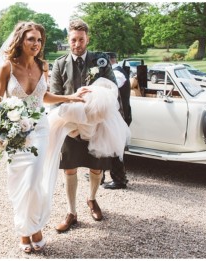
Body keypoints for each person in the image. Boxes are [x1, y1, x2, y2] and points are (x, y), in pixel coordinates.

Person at [0, 21, 89, 254]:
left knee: (35, 181)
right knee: (20, 183)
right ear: (20, 40)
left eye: (39, 40)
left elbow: (43, 95)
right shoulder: (7, 67)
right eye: (31, 39)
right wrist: (8, 120)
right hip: (15, 133)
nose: (36, 44)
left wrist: (70, 98)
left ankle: (34, 229)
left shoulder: (42, 65)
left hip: (39, 130)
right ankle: (24, 231)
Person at [49, 19, 117, 233]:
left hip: (97, 124)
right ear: (68, 40)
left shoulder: (101, 60)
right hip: (69, 125)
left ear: (87, 38)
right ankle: (71, 213)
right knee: (69, 168)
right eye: (73, 40)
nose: (77, 44)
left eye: (81, 39)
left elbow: (112, 89)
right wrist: (73, 126)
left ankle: (92, 199)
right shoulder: (60, 64)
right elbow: (56, 96)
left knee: (96, 167)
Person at [103, 52, 131, 189]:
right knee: (105, 145)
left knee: (116, 148)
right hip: (115, 116)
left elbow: (113, 87)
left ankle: (119, 179)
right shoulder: (119, 71)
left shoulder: (117, 74)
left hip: (120, 117)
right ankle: (99, 174)